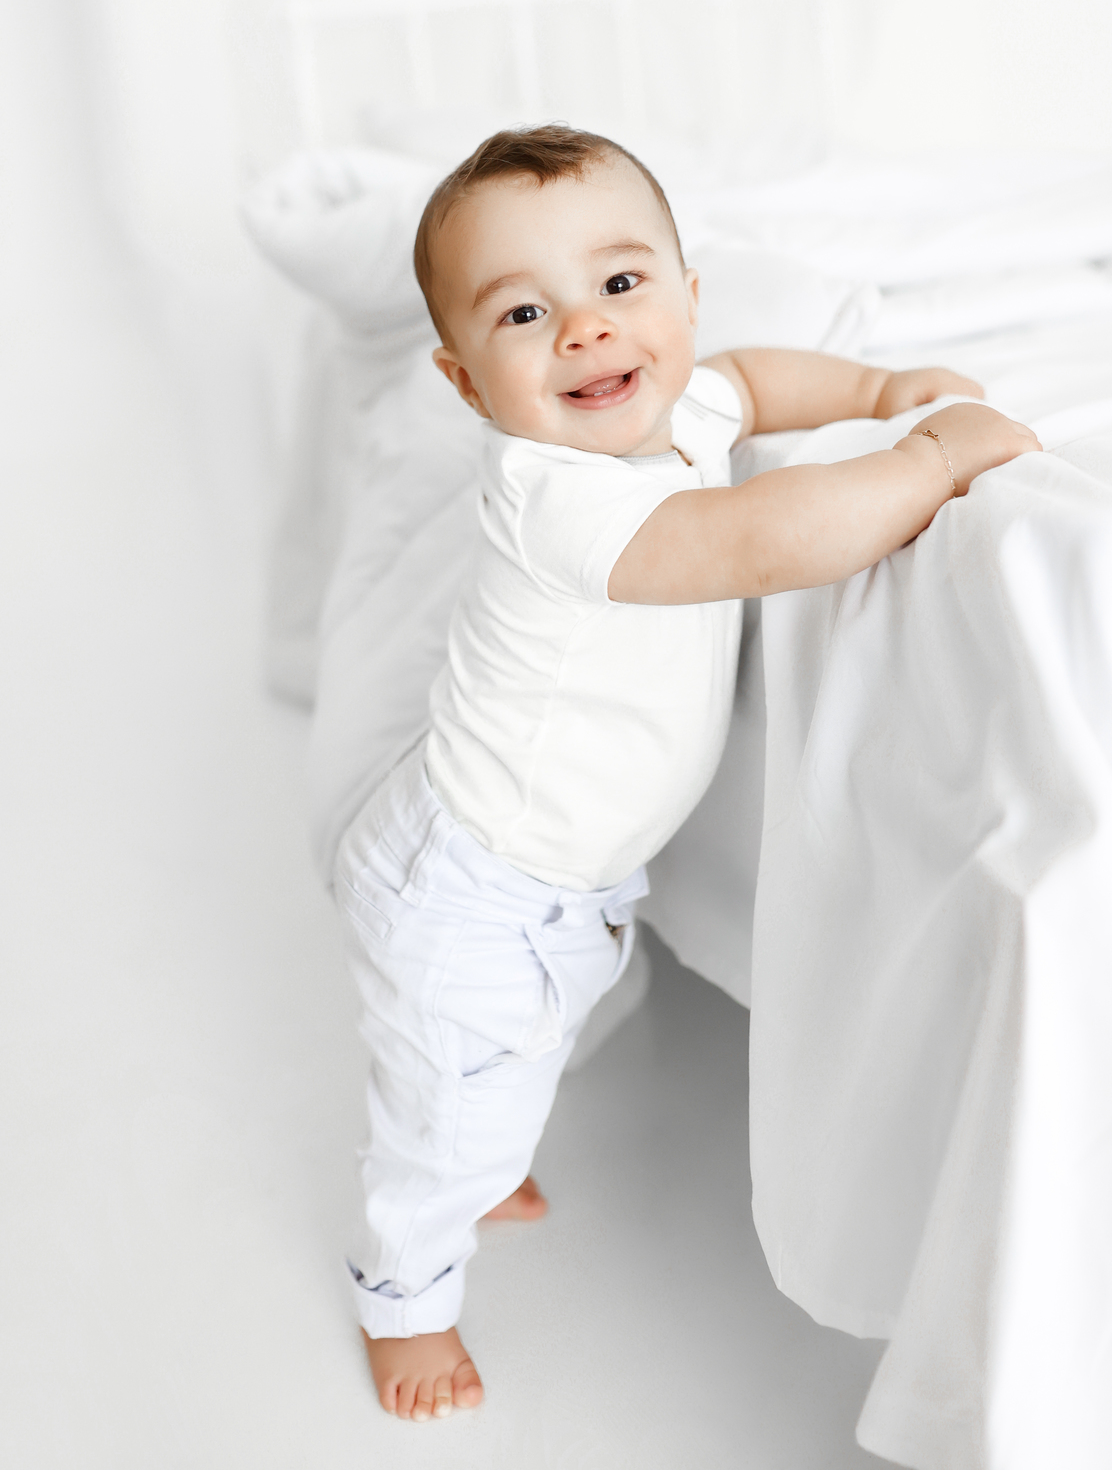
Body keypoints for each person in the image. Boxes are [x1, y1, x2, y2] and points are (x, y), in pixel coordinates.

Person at [334, 124, 1041, 1421]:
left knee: (505, 1059)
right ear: (464, 381)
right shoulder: (557, 497)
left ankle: (485, 1148)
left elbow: (754, 385)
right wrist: (927, 460)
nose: (587, 329)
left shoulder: (684, 407)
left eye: (620, 283)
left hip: (552, 873)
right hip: (475, 886)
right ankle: (404, 1300)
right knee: (444, 1115)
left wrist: (879, 386)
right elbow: (765, 537)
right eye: (524, 313)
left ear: (686, 294)